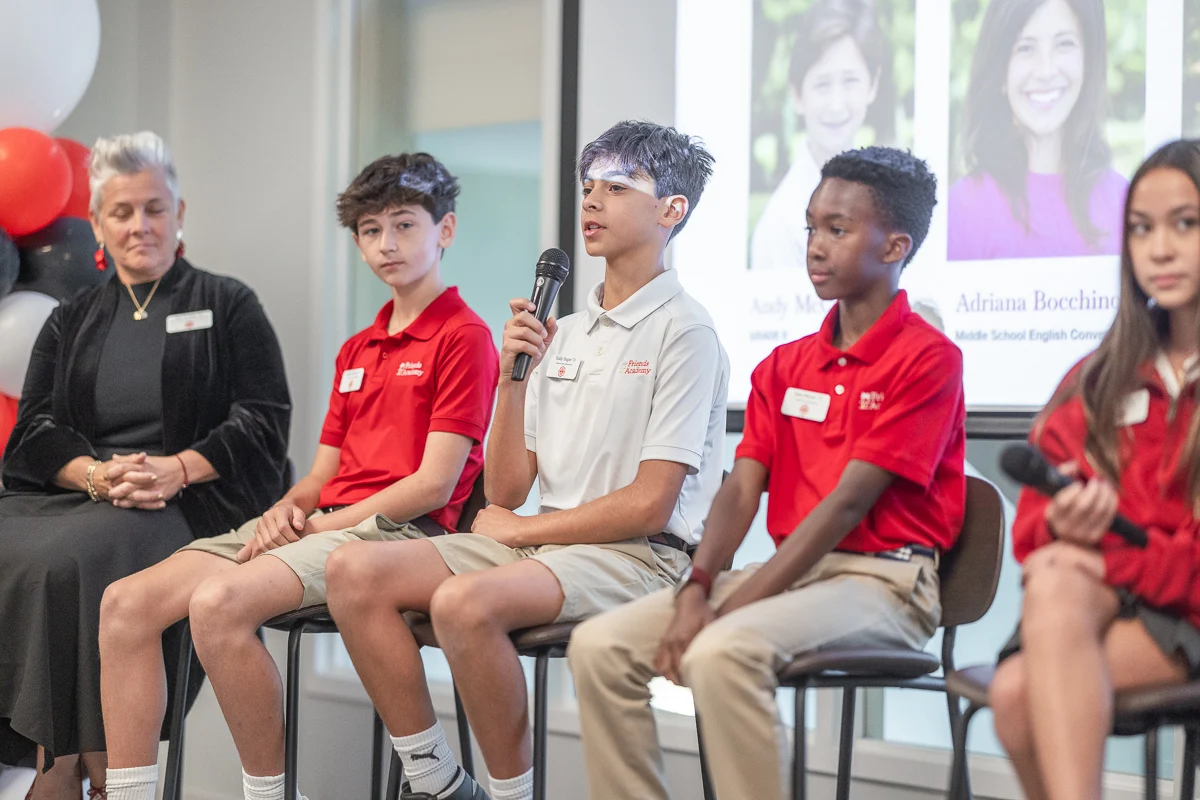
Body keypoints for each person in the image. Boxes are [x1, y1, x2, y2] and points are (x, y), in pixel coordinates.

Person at [324, 120, 729, 800]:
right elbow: (508, 488)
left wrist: (522, 531)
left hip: (640, 556)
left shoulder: (686, 331)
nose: (591, 200)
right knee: (352, 569)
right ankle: (437, 780)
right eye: (588, 185)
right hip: (545, 547)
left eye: (617, 187)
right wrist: (514, 380)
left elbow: (650, 503)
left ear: (671, 211)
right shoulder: (563, 331)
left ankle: (512, 795)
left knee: (462, 604)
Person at [96, 153, 498, 800]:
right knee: (125, 605)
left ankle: (272, 795)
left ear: (443, 230)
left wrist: (322, 524)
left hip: (398, 536)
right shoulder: (356, 349)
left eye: (404, 225)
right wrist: (290, 508)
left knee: (218, 604)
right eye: (370, 230)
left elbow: (434, 485)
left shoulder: (464, 336)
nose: (386, 244)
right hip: (323, 525)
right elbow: (321, 475)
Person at [569, 146, 964, 800]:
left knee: (722, 650)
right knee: (598, 646)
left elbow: (846, 505)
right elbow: (742, 488)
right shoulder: (784, 365)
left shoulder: (928, 358)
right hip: (794, 578)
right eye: (810, 227)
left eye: (837, 229)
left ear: (896, 247)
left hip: (886, 582)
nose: (815, 245)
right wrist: (697, 587)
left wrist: (732, 605)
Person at [0, 131, 291, 800]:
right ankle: (59, 759)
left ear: (179, 213)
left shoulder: (228, 304)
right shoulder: (71, 319)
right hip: (87, 493)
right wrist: (94, 475)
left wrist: (177, 469)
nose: (140, 225)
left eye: (154, 208)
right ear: (97, 221)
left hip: (191, 501)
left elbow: (264, 420)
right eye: (123, 212)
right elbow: (33, 433)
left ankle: (84, 769)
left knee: (71, 559)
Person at [988, 139, 1200, 799]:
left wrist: (1105, 555)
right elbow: (1034, 532)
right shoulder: (1099, 377)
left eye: (1185, 224)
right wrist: (1063, 523)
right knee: (1052, 577)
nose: (1159, 249)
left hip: (1188, 608)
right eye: (1141, 229)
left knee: (1018, 692)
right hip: (1096, 597)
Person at [948, 0, 1128, 261]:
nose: (1045, 71)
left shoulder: (1123, 201)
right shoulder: (962, 209)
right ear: (999, 72)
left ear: (1088, 62)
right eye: (1025, 48)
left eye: (1064, 44)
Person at [750, 0, 894, 272]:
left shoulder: (889, 199)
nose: (836, 105)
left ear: (872, 84)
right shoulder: (780, 225)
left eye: (850, 81)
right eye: (822, 84)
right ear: (797, 95)